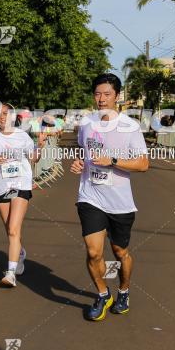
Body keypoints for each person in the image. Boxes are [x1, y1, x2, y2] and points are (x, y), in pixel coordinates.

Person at [71, 73, 149, 321]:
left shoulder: (130, 126)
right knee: (94, 252)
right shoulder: (86, 124)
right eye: (97, 93)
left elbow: (143, 164)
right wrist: (79, 163)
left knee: (119, 252)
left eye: (106, 94)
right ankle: (103, 294)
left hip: (120, 201)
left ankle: (123, 291)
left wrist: (113, 161)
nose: (101, 99)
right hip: (90, 196)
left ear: (117, 96)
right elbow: (85, 154)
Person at [0, 103, 47, 287]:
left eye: (5, 113)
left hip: (21, 183)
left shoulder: (22, 136)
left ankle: (10, 274)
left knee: (13, 229)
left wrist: (39, 147)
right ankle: (20, 253)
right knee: (9, 228)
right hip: (1, 185)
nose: (2, 117)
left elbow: (33, 159)